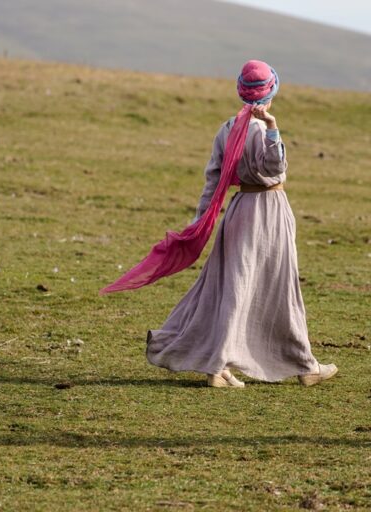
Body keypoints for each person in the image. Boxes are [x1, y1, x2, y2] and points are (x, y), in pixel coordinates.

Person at [105, 60, 337, 388]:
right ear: (271, 93)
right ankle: (302, 365)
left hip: (238, 212)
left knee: (232, 289)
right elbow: (273, 168)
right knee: (281, 288)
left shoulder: (227, 128)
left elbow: (213, 180)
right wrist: (272, 128)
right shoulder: (260, 129)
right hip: (268, 212)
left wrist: (201, 220)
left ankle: (219, 365)